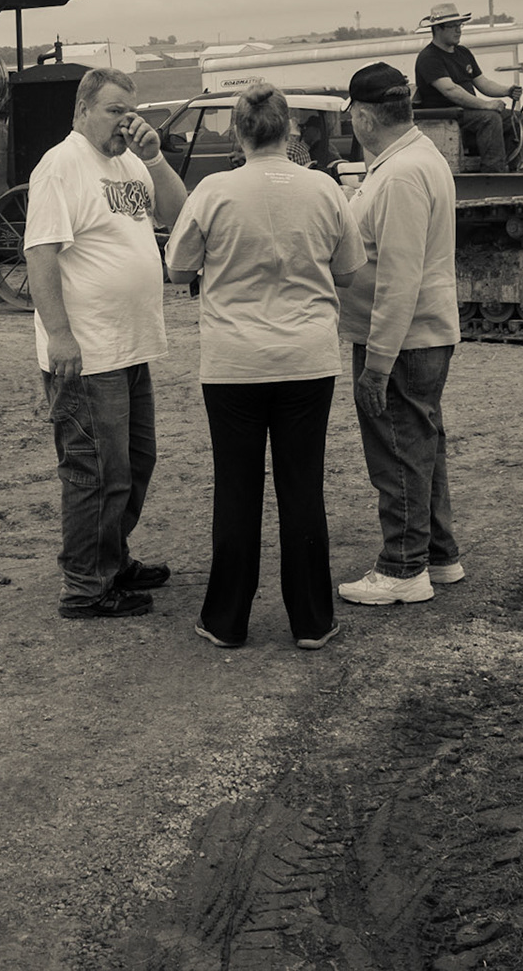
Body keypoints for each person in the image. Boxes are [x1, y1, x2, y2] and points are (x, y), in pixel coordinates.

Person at [164, 83, 365, 650]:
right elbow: (349, 271)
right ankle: (312, 620)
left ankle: (226, 619)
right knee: (303, 488)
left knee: (236, 488)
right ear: (290, 129)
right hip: (306, 358)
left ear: (238, 132)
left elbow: (177, 270)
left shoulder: (213, 190)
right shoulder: (323, 189)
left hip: (234, 362)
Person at [24, 67, 189, 619]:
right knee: (95, 472)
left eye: (130, 111)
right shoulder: (61, 165)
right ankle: (86, 587)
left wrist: (155, 157)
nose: (126, 121)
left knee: (134, 464)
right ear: (82, 110)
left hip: (131, 346)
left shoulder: (131, 163)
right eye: (115, 111)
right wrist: (60, 335)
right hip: (88, 353)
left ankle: (111, 558)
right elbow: (40, 254)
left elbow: (178, 214)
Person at [335, 62, 465, 606]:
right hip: (418, 334)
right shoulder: (414, 158)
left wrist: (378, 363)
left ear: (365, 117)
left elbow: (398, 276)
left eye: (353, 117)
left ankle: (403, 567)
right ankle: (439, 554)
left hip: (402, 339)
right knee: (421, 445)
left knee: (397, 452)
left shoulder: (401, 175)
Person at [412, 2, 518, 173]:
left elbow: (483, 83)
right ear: (437, 29)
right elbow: (451, 91)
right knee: (490, 118)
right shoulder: (429, 58)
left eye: (459, 25)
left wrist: (506, 90)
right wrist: (486, 105)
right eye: (452, 26)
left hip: (466, 113)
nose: (458, 30)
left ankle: (512, 168)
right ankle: (493, 173)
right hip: (446, 116)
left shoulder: (463, 53)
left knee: (516, 119)